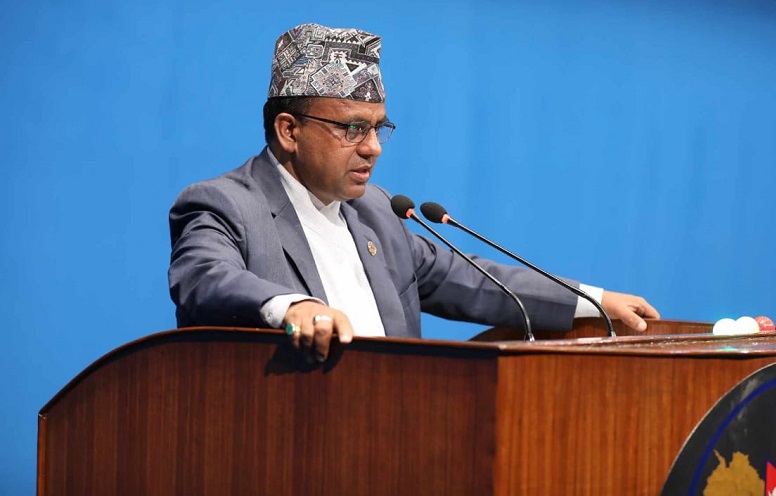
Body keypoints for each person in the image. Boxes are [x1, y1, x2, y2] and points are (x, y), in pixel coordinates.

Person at [168, 23, 658, 363]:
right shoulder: (226, 204)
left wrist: (593, 301)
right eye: (353, 129)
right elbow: (205, 279)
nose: (374, 148)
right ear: (289, 130)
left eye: (379, 128)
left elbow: (474, 282)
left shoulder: (376, 211)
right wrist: (293, 307)